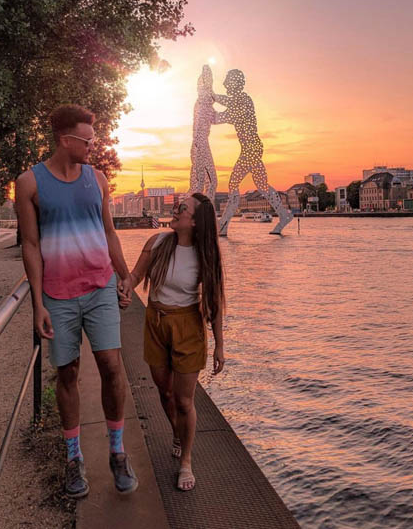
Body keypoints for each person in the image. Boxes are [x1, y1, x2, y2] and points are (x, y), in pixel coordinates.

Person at [15, 104, 138, 499]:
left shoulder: (97, 178)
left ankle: (117, 452)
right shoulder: (29, 183)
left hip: (99, 286)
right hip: (58, 294)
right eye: (86, 140)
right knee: (67, 373)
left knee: (111, 366)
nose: (92, 145)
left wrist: (125, 276)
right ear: (65, 140)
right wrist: (38, 304)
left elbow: (110, 233)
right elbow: (31, 245)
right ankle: (74, 457)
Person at [120, 193, 225, 491]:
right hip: (156, 323)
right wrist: (125, 289)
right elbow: (136, 276)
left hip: (188, 326)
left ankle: (186, 461)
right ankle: (177, 434)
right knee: (165, 393)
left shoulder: (206, 256)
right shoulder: (157, 243)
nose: (175, 211)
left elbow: (214, 302)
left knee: (184, 400)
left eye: (182, 208)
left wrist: (219, 344)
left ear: (194, 222)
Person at [212, 69, 294, 236]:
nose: (225, 83)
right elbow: (227, 102)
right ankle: (284, 215)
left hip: (251, 148)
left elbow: (223, 116)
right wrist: (212, 96)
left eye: (228, 80)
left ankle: (224, 223)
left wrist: (210, 105)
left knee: (233, 184)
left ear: (234, 83)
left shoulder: (243, 100)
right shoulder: (239, 100)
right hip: (252, 148)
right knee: (262, 186)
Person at [189, 64, 218, 201]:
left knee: (201, 183)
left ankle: (195, 213)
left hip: (198, 146)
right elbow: (200, 128)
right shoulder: (202, 103)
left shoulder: (202, 104)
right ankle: (202, 215)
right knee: (208, 182)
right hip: (200, 145)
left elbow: (215, 118)